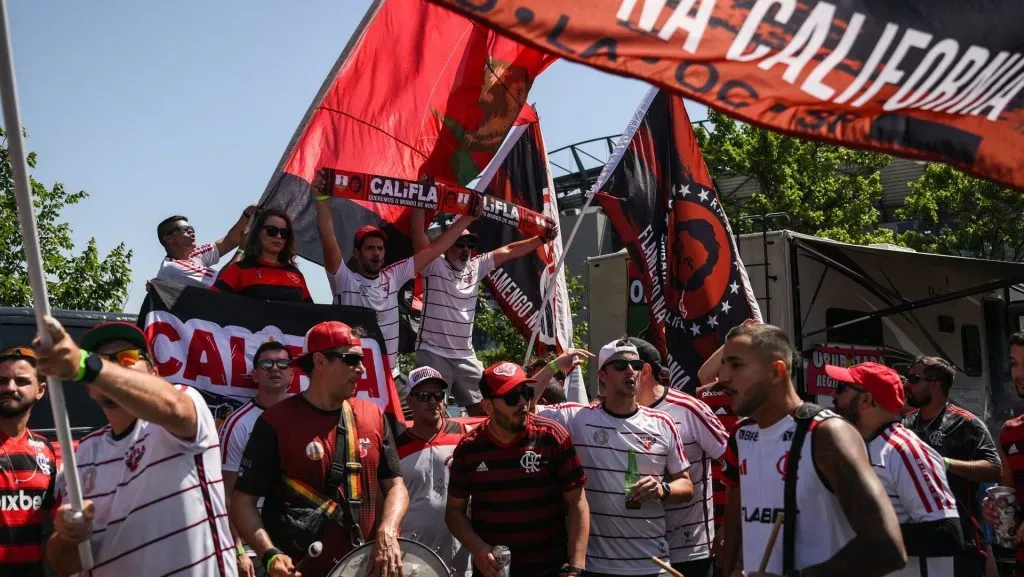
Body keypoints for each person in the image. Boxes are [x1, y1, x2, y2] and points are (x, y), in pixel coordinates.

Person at [36, 319, 236, 576]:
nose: (114, 365)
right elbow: (65, 565)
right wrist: (67, 536)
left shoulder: (183, 407)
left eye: (127, 358)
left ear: (154, 374)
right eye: (104, 359)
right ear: (89, 390)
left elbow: (174, 407)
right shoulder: (82, 455)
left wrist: (88, 364)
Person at [716, 323, 906, 577]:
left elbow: (887, 547)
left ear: (777, 371)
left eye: (736, 365)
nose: (723, 377)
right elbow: (736, 527)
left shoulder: (827, 434)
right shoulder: (742, 435)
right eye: (724, 364)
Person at [231, 321, 408, 577]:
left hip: (363, 568)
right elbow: (242, 502)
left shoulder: (373, 416)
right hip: (299, 570)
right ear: (320, 361)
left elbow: (396, 486)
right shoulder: (276, 422)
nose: (361, 369)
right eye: (351, 359)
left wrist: (388, 529)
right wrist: (269, 554)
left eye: (362, 360)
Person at [538, 339, 694, 577]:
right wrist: (555, 366)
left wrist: (662, 489)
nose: (631, 371)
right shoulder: (577, 417)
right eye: (620, 365)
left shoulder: (663, 423)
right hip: (596, 566)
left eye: (636, 365)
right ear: (602, 375)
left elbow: (686, 485)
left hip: (653, 564)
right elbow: (524, 406)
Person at [313, 170, 481, 380]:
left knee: (418, 412)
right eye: (370, 248)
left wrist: (467, 219)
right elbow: (328, 236)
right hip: (355, 377)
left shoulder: (393, 276)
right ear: (356, 252)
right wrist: (321, 198)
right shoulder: (343, 279)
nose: (376, 253)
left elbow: (434, 250)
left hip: (392, 377)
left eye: (380, 248)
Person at [446, 361, 589, 577]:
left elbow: (577, 502)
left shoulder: (552, 437)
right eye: (512, 397)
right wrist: (478, 548)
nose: (523, 402)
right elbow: (454, 511)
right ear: (487, 406)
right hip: (494, 572)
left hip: (549, 570)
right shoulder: (469, 448)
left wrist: (577, 567)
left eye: (525, 392)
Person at [411, 210, 559, 416]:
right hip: (433, 352)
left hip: (466, 356)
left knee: (489, 412)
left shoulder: (476, 267)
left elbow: (508, 250)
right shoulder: (433, 264)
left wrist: (541, 239)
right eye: (460, 244)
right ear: (447, 246)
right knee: (431, 414)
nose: (466, 250)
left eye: (470, 245)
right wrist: (420, 200)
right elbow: (418, 236)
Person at [830, 362, 962, 577]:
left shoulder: (904, 450)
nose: (834, 396)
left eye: (841, 388)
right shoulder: (859, 446)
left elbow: (947, 534)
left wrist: (860, 534)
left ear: (866, 400)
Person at [629, 337, 727, 577]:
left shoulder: (690, 409)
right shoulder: (616, 413)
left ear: (645, 371)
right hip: (637, 550)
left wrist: (727, 531)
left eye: (623, 365)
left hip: (690, 550)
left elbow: (736, 465)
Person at [903, 355, 1002, 576]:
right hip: (918, 538)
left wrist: (945, 463)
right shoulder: (905, 424)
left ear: (935, 385)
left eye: (914, 378)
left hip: (961, 540)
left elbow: (994, 468)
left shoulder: (965, 422)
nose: (906, 384)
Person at [220, 340, 294, 577]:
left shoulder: (305, 418)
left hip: (299, 538)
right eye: (266, 364)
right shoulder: (237, 423)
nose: (275, 368)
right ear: (255, 375)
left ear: (292, 374)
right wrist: (237, 550)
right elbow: (226, 493)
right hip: (254, 547)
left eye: (282, 363)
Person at [396, 366, 472, 576]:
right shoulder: (395, 448)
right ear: (409, 400)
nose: (432, 401)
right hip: (412, 560)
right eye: (423, 396)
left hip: (460, 559)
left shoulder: (466, 437)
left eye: (438, 395)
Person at [0, 347, 57, 577]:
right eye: (2, 380)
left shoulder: (46, 451)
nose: (10, 388)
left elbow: (50, 530)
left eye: (21, 381)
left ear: (40, 390)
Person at [984, 332, 1024, 576]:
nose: (1019, 374)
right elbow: (1010, 498)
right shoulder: (1010, 433)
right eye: (1015, 364)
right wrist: (994, 508)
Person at [213, 208, 312, 302]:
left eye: (284, 232)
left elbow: (310, 313)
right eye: (271, 231)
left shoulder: (296, 274)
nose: (279, 236)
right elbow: (209, 301)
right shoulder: (239, 270)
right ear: (258, 233)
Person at [155, 206, 257, 287]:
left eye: (191, 228)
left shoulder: (195, 254)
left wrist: (247, 215)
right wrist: (241, 249)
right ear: (168, 239)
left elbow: (229, 240)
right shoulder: (173, 267)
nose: (191, 231)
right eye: (184, 229)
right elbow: (224, 280)